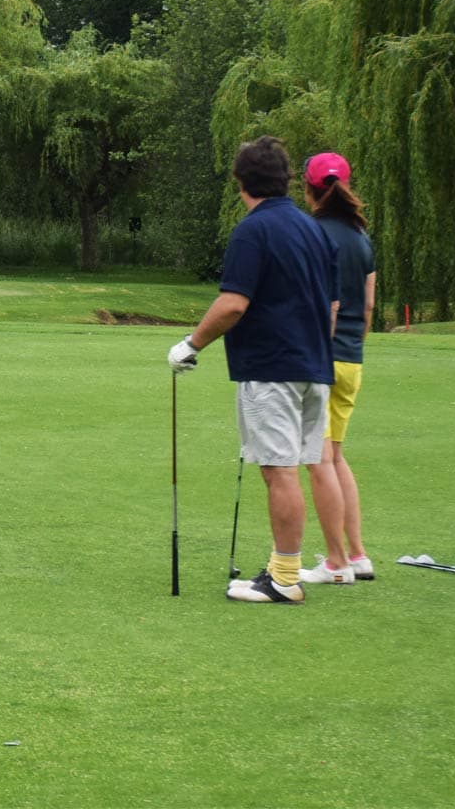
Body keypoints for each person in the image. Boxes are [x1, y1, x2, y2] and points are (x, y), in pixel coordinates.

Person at [167, 135, 337, 604]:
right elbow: (330, 305)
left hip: (273, 369)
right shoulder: (312, 229)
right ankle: (281, 570)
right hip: (314, 366)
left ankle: (284, 578)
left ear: (241, 182)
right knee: (289, 469)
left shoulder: (253, 230)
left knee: (278, 472)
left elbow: (233, 304)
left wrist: (190, 344)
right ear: (284, 180)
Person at [298, 152, 377, 585]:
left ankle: (335, 562)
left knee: (318, 460)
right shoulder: (361, 237)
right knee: (336, 457)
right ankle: (358, 555)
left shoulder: (311, 234)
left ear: (308, 189)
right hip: (352, 358)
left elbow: (322, 303)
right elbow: (366, 307)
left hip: (322, 359)